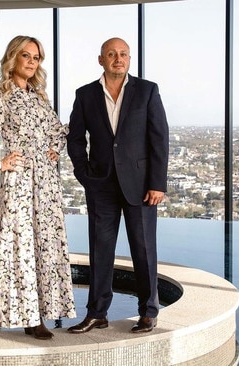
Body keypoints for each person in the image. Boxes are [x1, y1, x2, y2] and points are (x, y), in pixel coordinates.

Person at [0, 35, 76, 349]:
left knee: (39, 249)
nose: (31, 61)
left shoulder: (40, 98)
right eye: (26, 55)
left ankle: (34, 317)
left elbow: (60, 132)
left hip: (46, 186)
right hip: (19, 184)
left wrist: (54, 149)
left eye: (36, 57)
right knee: (8, 248)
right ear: (13, 58)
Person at [66, 37, 169, 334]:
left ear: (129, 59)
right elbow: (75, 138)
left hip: (141, 186)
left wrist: (157, 183)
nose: (118, 58)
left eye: (123, 54)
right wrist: (84, 174)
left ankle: (149, 312)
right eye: (111, 54)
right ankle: (97, 313)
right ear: (101, 60)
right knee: (100, 252)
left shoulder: (147, 91)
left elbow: (159, 138)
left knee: (144, 249)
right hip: (100, 185)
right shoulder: (85, 94)